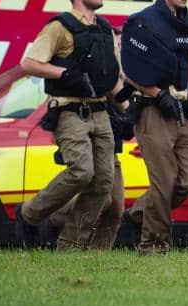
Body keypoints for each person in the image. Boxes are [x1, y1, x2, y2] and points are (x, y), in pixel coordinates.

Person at [16, 0, 122, 249]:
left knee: (102, 183)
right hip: (69, 111)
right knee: (81, 171)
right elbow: (29, 63)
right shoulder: (59, 27)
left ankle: (70, 246)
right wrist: (63, 74)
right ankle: (29, 214)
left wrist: (127, 104)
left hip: (101, 112)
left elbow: (111, 77)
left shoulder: (104, 29)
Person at [119, 0, 188, 255]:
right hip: (153, 112)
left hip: (183, 113)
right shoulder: (141, 23)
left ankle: (137, 216)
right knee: (164, 182)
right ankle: (153, 245)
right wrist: (157, 94)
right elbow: (130, 71)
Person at [47, 27, 133, 249]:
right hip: (94, 141)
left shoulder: (127, 74)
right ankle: (51, 216)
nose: (120, 48)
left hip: (113, 144)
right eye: (117, 44)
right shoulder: (101, 72)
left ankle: (97, 257)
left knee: (116, 210)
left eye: (123, 45)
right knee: (102, 199)